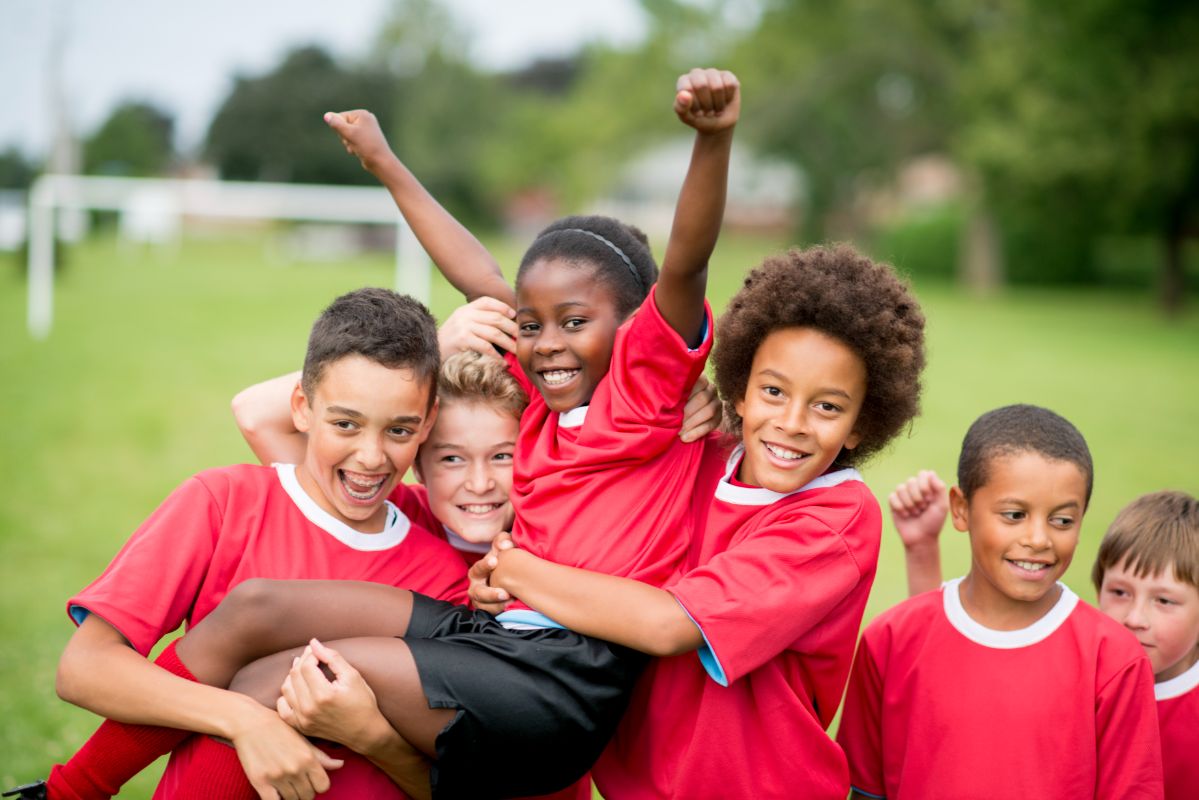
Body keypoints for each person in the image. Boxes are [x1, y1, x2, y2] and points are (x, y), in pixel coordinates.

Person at [29, 66, 738, 800]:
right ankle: (65, 792)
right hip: (496, 640)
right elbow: (478, 278)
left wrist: (712, 142)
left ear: (635, 332)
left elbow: (685, 262)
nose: (547, 341)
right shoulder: (540, 401)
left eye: (574, 323)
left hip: (561, 684)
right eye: (532, 326)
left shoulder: (644, 401)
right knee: (259, 619)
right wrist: (384, 163)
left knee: (296, 677)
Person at [464, 244, 927, 799]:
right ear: (739, 389)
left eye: (827, 407)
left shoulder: (835, 519)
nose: (792, 423)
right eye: (773, 392)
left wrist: (516, 573)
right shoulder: (692, 452)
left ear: (862, 422)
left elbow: (669, 626)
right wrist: (497, 585)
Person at [16, 288, 471, 800]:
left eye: (399, 430)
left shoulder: (443, 569)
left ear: (427, 422)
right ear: (301, 407)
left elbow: (451, 780)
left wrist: (370, 734)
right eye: (345, 424)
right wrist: (242, 718)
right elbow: (84, 669)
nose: (370, 456)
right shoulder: (224, 503)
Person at [836, 404, 1164, 799]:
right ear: (961, 509)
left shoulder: (1113, 659)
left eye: (1062, 521)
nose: (1039, 539)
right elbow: (865, 789)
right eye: (1014, 515)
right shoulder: (888, 639)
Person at [893, 481, 1199, 799]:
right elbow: (948, 659)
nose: (1135, 618)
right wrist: (922, 551)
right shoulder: (1079, 666)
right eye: (1119, 593)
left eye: (1164, 601)